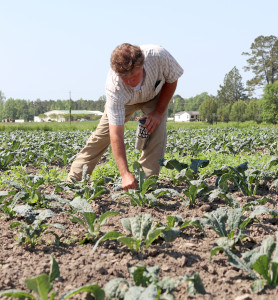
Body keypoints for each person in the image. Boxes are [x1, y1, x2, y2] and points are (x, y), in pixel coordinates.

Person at [68, 43, 183, 191]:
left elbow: (172, 79)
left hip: (154, 96)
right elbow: (116, 134)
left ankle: (145, 185)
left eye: (134, 76)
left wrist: (158, 113)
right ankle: (73, 181)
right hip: (125, 101)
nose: (130, 82)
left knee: (157, 133)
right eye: (125, 78)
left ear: (142, 65)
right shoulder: (114, 86)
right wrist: (124, 174)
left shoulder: (159, 56)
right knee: (101, 136)